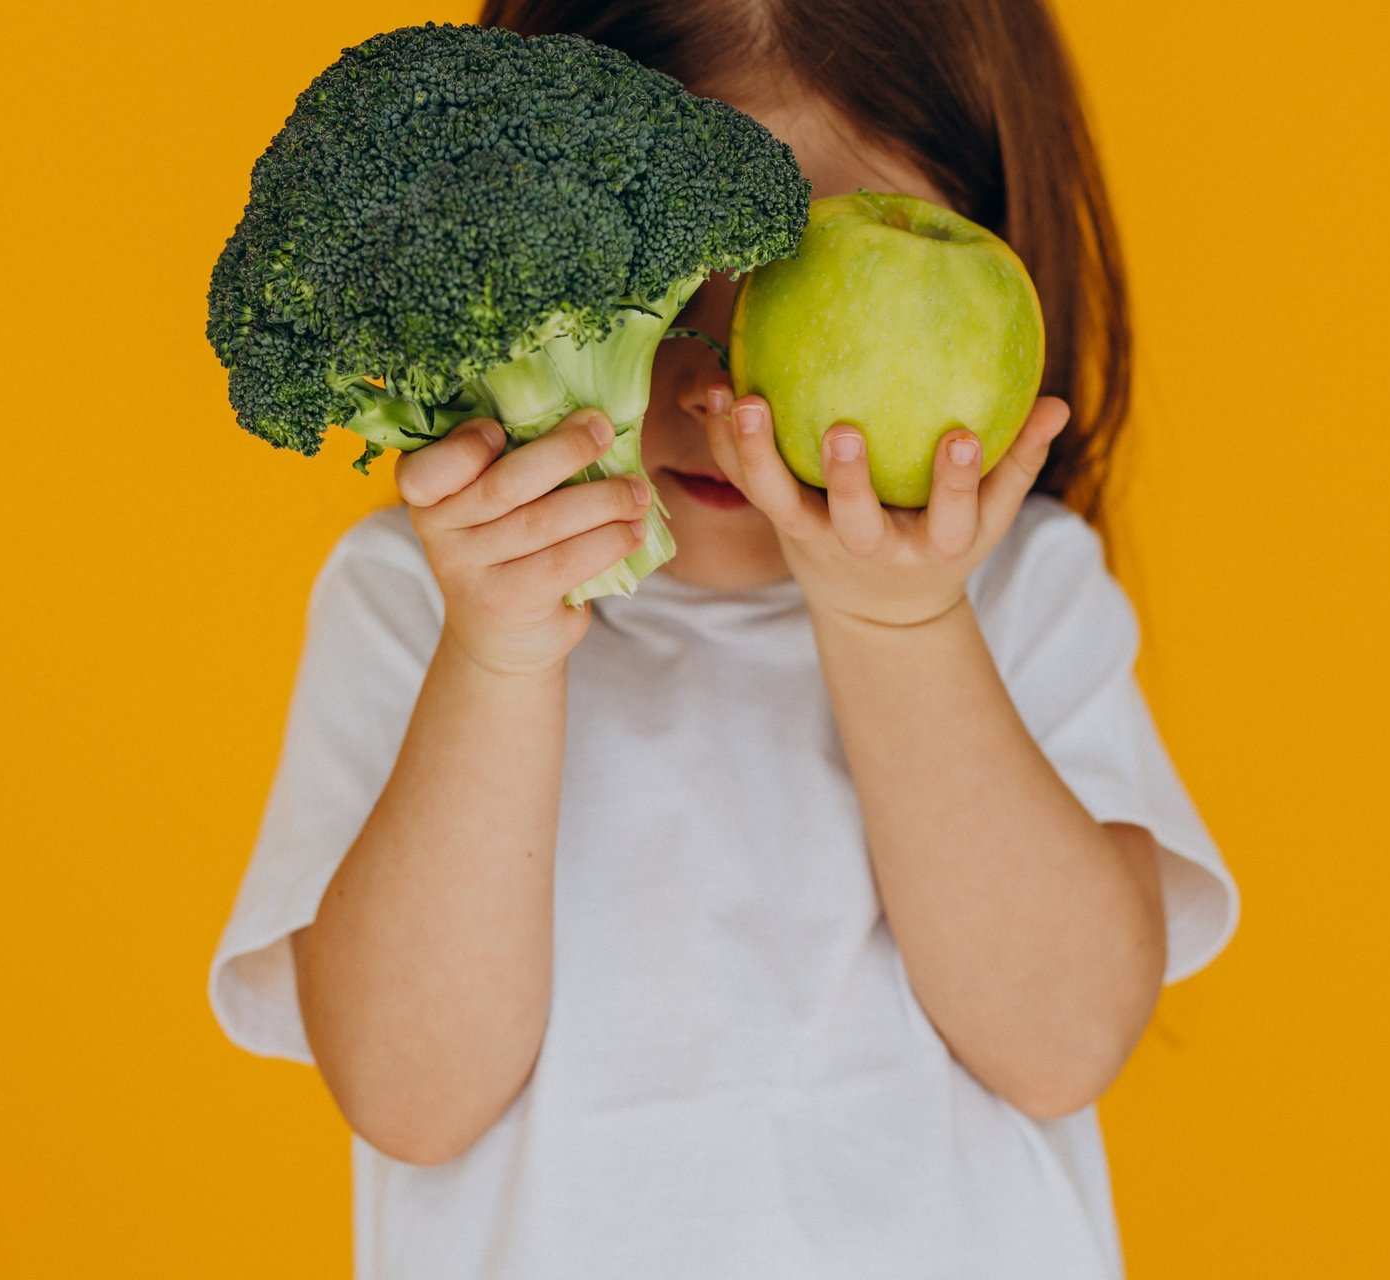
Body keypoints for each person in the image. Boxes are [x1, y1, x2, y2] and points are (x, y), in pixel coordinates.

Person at [208, 1, 1241, 1275]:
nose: (709, 384)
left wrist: (901, 621)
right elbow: (413, 1099)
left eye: (799, 283)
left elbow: (1064, 1039)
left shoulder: (1023, 588)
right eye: (645, 283)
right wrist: (498, 658)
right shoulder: (419, 602)